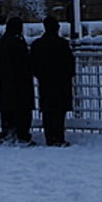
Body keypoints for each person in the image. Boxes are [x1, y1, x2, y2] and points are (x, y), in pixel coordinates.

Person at [30, 15, 76, 146]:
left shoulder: (37, 45)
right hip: (61, 82)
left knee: (47, 111)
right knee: (59, 112)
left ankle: (49, 137)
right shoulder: (62, 44)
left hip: (45, 82)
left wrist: (41, 75)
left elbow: (33, 65)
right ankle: (59, 137)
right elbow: (70, 64)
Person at [0, 16, 34, 144]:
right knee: (22, 110)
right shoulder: (19, 44)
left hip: (5, 82)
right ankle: (22, 134)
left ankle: (8, 131)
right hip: (21, 83)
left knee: (7, 108)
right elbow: (25, 63)